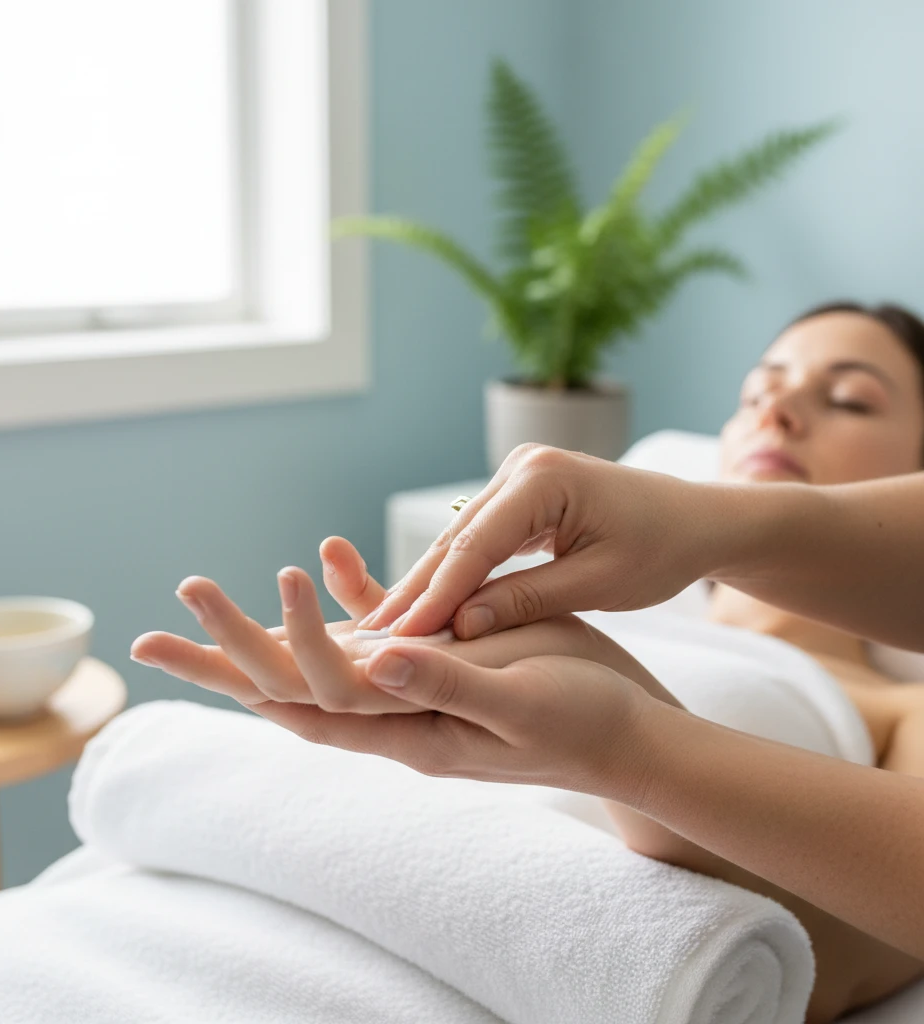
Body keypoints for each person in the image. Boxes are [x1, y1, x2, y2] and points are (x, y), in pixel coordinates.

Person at [132, 302, 924, 1021]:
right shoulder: (585, 600)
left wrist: (623, 741)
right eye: (754, 393)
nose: (775, 412)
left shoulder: (898, 708)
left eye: (850, 400)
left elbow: (835, 961)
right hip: (178, 933)